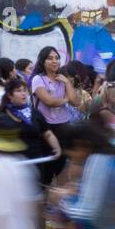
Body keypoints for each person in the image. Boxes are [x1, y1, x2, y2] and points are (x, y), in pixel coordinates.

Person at [30, 46, 76, 188]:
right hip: (45, 128)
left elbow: (76, 101)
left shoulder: (62, 79)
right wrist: (66, 100)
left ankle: (58, 199)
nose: (54, 61)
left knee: (62, 166)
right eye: (49, 58)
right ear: (42, 61)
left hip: (64, 126)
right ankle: (44, 197)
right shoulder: (38, 79)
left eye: (56, 58)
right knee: (46, 166)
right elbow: (49, 101)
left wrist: (67, 82)